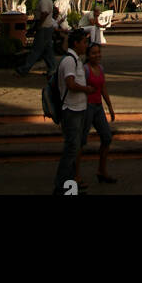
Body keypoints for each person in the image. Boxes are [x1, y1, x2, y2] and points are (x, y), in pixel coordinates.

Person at [53, 28, 90, 195]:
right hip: (71, 110)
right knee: (71, 149)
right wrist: (86, 89)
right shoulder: (69, 61)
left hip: (79, 108)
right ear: (76, 43)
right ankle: (62, 186)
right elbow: (70, 84)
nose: (86, 45)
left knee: (74, 149)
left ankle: (70, 187)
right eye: (84, 42)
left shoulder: (76, 60)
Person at [82, 40, 117, 184]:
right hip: (87, 108)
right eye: (93, 53)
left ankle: (102, 171)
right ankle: (74, 174)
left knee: (107, 137)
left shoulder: (101, 68)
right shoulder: (84, 69)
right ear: (88, 55)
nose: (97, 55)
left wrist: (109, 106)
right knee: (80, 141)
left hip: (98, 107)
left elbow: (103, 88)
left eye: (98, 52)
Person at [15, 0, 56, 77]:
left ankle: (25, 68)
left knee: (36, 50)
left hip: (44, 27)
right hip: (47, 27)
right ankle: (53, 68)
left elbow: (44, 13)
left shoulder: (44, 0)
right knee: (47, 51)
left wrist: (38, 25)